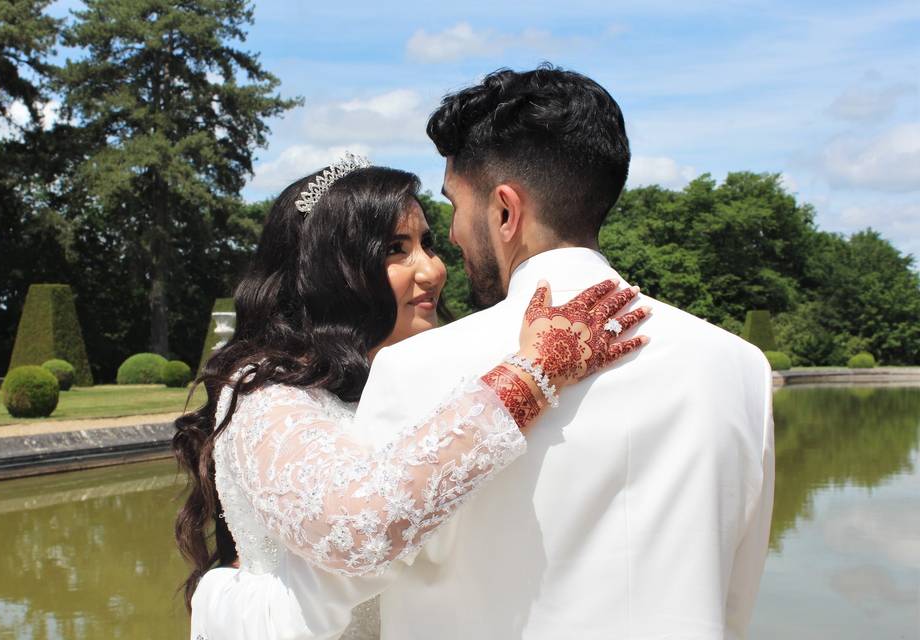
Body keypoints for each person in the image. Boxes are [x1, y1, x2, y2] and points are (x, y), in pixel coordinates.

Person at [353, 65, 775, 639]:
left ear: (505, 211)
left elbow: (360, 565)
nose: (451, 235)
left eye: (456, 205)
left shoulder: (410, 368)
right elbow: (735, 592)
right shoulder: (740, 366)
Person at [174, 158, 651, 639]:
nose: (432, 270)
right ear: (329, 271)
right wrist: (532, 376)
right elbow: (356, 527)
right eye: (395, 250)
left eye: (428, 244)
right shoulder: (265, 391)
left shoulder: (414, 376)